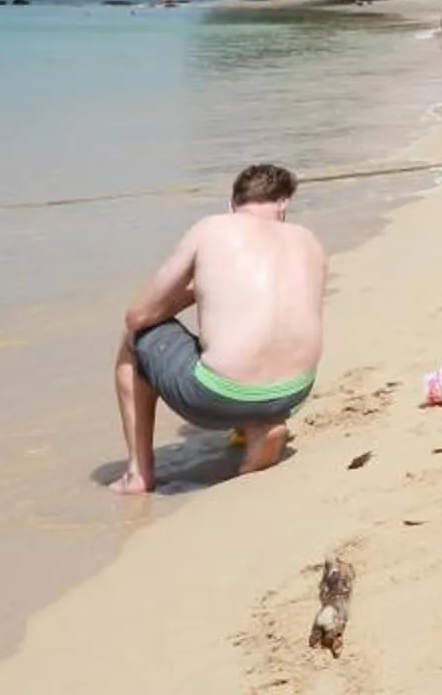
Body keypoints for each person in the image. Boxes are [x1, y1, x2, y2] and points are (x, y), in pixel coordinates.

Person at [112, 163, 326, 493]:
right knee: (247, 339)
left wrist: (195, 291)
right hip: (293, 393)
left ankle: (138, 472)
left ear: (231, 206)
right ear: (284, 204)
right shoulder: (309, 241)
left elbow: (137, 316)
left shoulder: (211, 229)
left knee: (135, 340)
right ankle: (260, 427)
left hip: (219, 396)